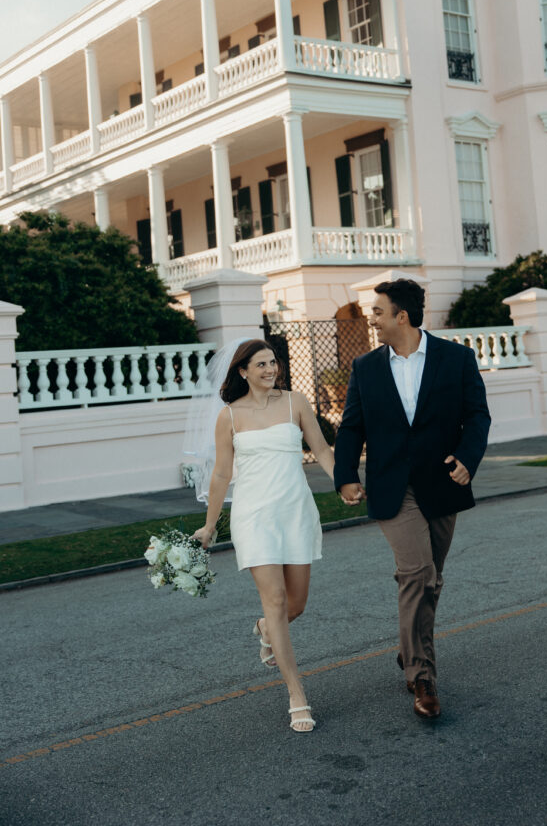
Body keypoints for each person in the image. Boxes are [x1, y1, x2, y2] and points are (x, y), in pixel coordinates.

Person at [334, 279, 490, 720]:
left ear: (401, 316)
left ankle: (410, 649)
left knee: (431, 578)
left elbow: (477, 415)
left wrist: (467, 458)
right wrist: (345, 475)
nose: (372, 318)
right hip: (391, 487)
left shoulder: (456, 358)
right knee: (418, 572)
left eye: (378, 311)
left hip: (442, 483)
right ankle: (422, 677)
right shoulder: (365, 367)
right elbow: (351, 428)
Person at [192, 338, 334, 733]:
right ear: (243, 371)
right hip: (254, 517)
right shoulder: (230, 417)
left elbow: (322, 449)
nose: (271, 369)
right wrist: (209, 524)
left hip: (295, 511)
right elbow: (222, 473)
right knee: (274, 600)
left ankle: (264, 629)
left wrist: (343, 483)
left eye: (273, 362)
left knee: (295, 605)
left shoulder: (296, 403)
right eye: (261, 364)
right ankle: (296, 694)